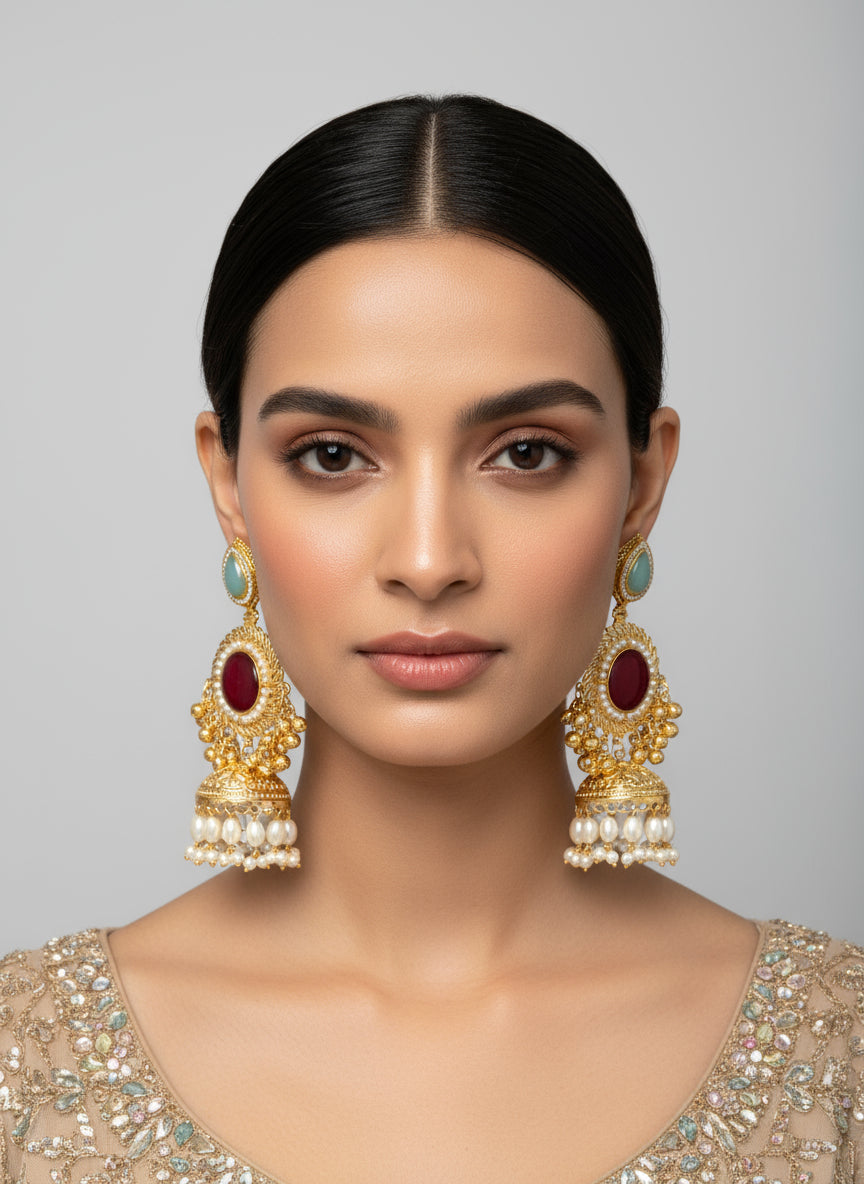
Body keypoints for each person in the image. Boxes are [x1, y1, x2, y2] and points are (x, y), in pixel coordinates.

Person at [2, 95, 861, 1184]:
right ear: (228, 484)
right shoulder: (24, 1071)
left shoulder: (841, 1064)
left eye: (527, 452)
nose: (428, 555)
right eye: (331, 454)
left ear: (643, 481)